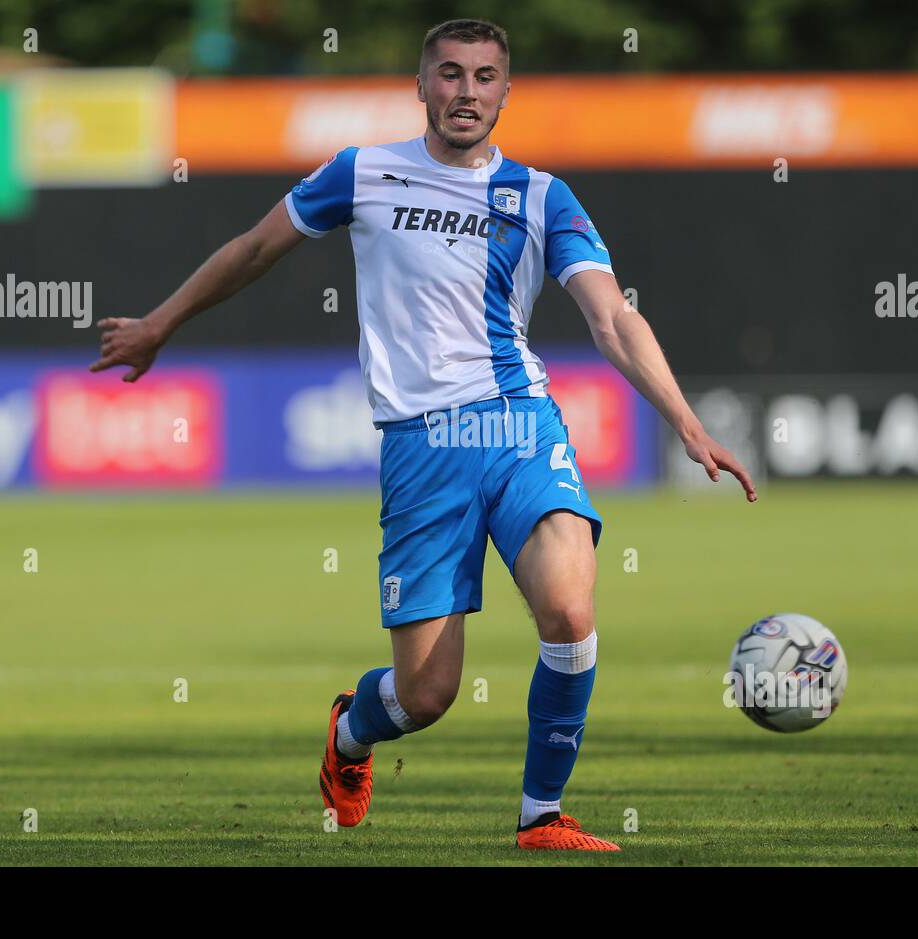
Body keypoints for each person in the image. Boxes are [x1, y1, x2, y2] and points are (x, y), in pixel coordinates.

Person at [90, 17, 756, 852]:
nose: (466, 92)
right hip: (420, 450)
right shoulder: (362, 174)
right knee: (426, 695)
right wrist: (160, 323)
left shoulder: (543, 196)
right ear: (421, 86)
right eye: (449, 74)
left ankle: (540, 816)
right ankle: (348, 736)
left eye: (484, 77)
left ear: (507, 93)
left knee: (569, 608)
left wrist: (686, 423)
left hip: (521, 427)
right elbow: (256, 249)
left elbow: (612, 318)